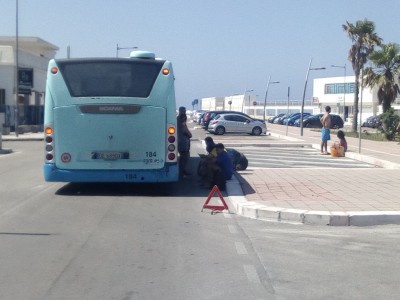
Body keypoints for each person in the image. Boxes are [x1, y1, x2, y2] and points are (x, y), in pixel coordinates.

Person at [177, 106, 192, 178]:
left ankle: (182, 171)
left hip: (179, 142)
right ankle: (182, 172)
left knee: (182, 158)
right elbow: (189, 134)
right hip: (183, 143)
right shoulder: (182, 121)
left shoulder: (176, 119)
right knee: (184, 158)